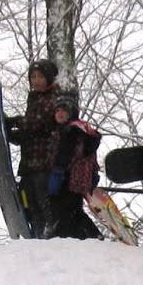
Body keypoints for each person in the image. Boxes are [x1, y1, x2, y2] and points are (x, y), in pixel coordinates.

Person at [7, 59, 62, 236]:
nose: (36, 81)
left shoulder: (54, 98)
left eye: (39, 77)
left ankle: (49, 235)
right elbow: (31, 130)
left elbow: (39, 122)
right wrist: (15, 136)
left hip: (45, 161)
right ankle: (37, 235)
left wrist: (16, 122)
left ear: (48, 78)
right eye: (33, 77)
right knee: (29, 201)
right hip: (30, 161)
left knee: (43, 199)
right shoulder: (34, 98)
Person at [44, 96, 102, 241]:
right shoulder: (83, 129)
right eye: (57, 110)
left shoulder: (70, 130)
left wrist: (57, 173)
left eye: (64, 110)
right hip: (80, 179)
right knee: (74, 209)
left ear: (71, 113)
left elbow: (64, 154)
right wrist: (93, 175)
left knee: (65, 210)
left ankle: (78, 237)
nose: (60, 113)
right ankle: (90, 236)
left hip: (68, 177)